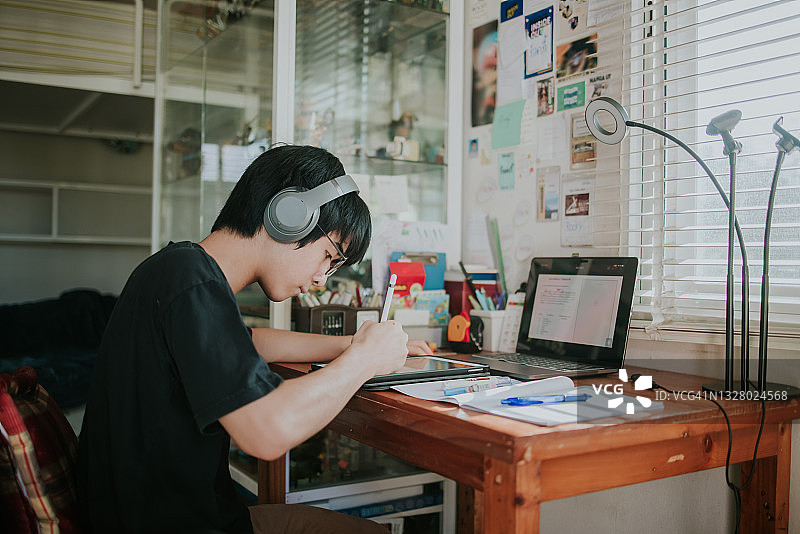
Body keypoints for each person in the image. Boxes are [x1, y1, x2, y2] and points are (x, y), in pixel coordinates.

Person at [76, 144, 433, 533]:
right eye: (329, 256)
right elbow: (267, 431)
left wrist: (351, 344)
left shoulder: (178, 270)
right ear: (289, 215)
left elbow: (252, 342)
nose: (321, 278)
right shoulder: (192, 281)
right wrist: (363, 361)